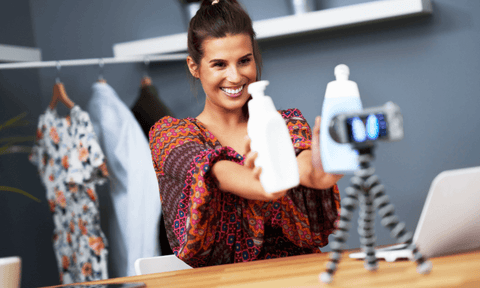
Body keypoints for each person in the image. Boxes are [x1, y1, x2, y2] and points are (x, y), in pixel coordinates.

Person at [149, 0, 343, 268]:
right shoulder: (170, 136)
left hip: (303, 272)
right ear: (194, 67)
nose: (235, 76)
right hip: (225, 282)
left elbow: (303, 163)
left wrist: (320, 171)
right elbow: (216, 171)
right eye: (219, 64)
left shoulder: (285, 122)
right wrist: (264, 183)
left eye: (244, 61)